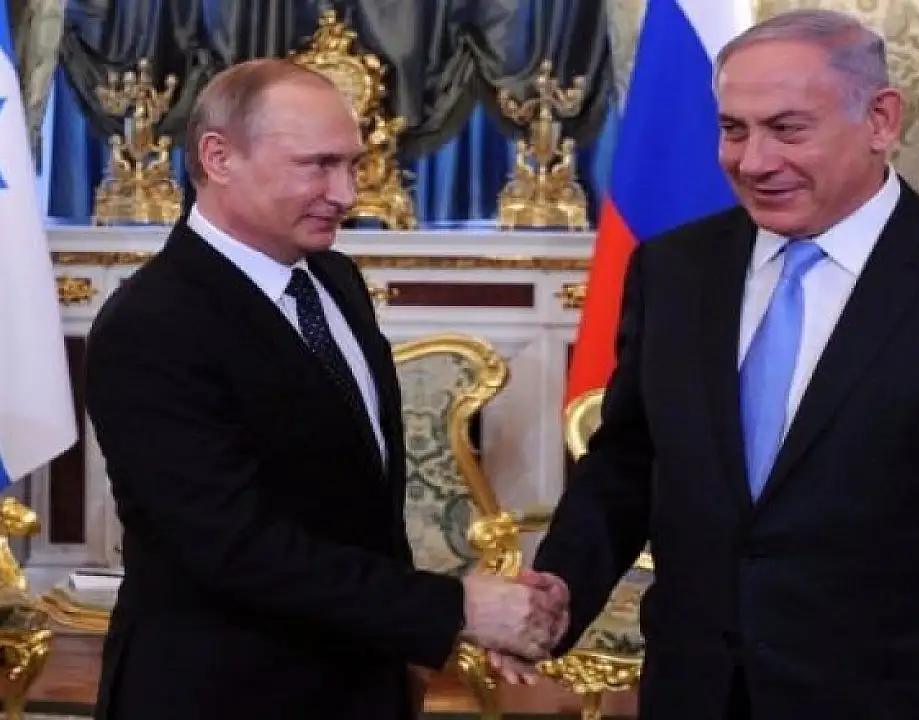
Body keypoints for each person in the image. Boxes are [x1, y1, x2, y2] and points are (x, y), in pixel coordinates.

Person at [518, 9, 919, 719]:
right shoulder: (674, 269)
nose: (753, 161)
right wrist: (562, 585)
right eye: (733, 129)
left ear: (881, 120)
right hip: (697, 694)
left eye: (787, 129)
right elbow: (629, 462)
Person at [84, 59, 567, 720]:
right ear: (219, 157)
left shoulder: (335, 280)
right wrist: (456, 609)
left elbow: (359, 504)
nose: (345, 194)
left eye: (352, 165)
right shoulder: (152, 322)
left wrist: (412, 642)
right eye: (317, 165)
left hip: (359, 682)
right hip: (222, 695)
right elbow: (231, 545)